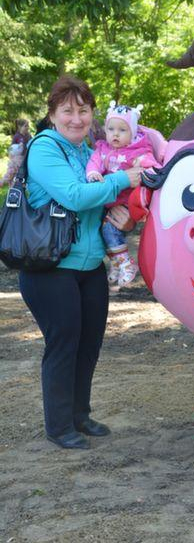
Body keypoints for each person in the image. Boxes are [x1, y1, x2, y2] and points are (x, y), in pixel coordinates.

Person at [18, 75, 141, 450]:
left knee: (89, 344)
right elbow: (73, 195)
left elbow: (103, 201)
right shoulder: (44, 148)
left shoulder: (92, 152)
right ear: (53, 114)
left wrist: (127, 217)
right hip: (50, 267)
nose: (76, 118)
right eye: (67, 110)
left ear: (92, 114)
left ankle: (79, 414)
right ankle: (58, 425)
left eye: (83, 110)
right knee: (64, 342)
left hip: (90, 267)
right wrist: (121, 179)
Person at [86, 101, 159, 290]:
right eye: (111, 129)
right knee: (103, 231)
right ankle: (117, 264)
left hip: (128, 201)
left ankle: (126, 262)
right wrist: (93, 174)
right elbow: (94, 163)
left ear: (133, 133)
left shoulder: (136, 152)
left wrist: (149, 172)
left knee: (110, 230)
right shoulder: (103, 150)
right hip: (109, 201)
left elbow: (153, 167)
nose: (115, 134)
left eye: (122, 130)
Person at [0, 119, 30, 187]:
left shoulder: (28, 135)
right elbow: (11, 149)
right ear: (20, 126)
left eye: (28, 126)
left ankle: (15, 189)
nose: (27, 127)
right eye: (25, 126)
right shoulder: (17, 136)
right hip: (16, 159)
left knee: (20, 175)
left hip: (25, 158)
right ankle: (4, 181)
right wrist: (12, 157)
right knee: (12, 172)